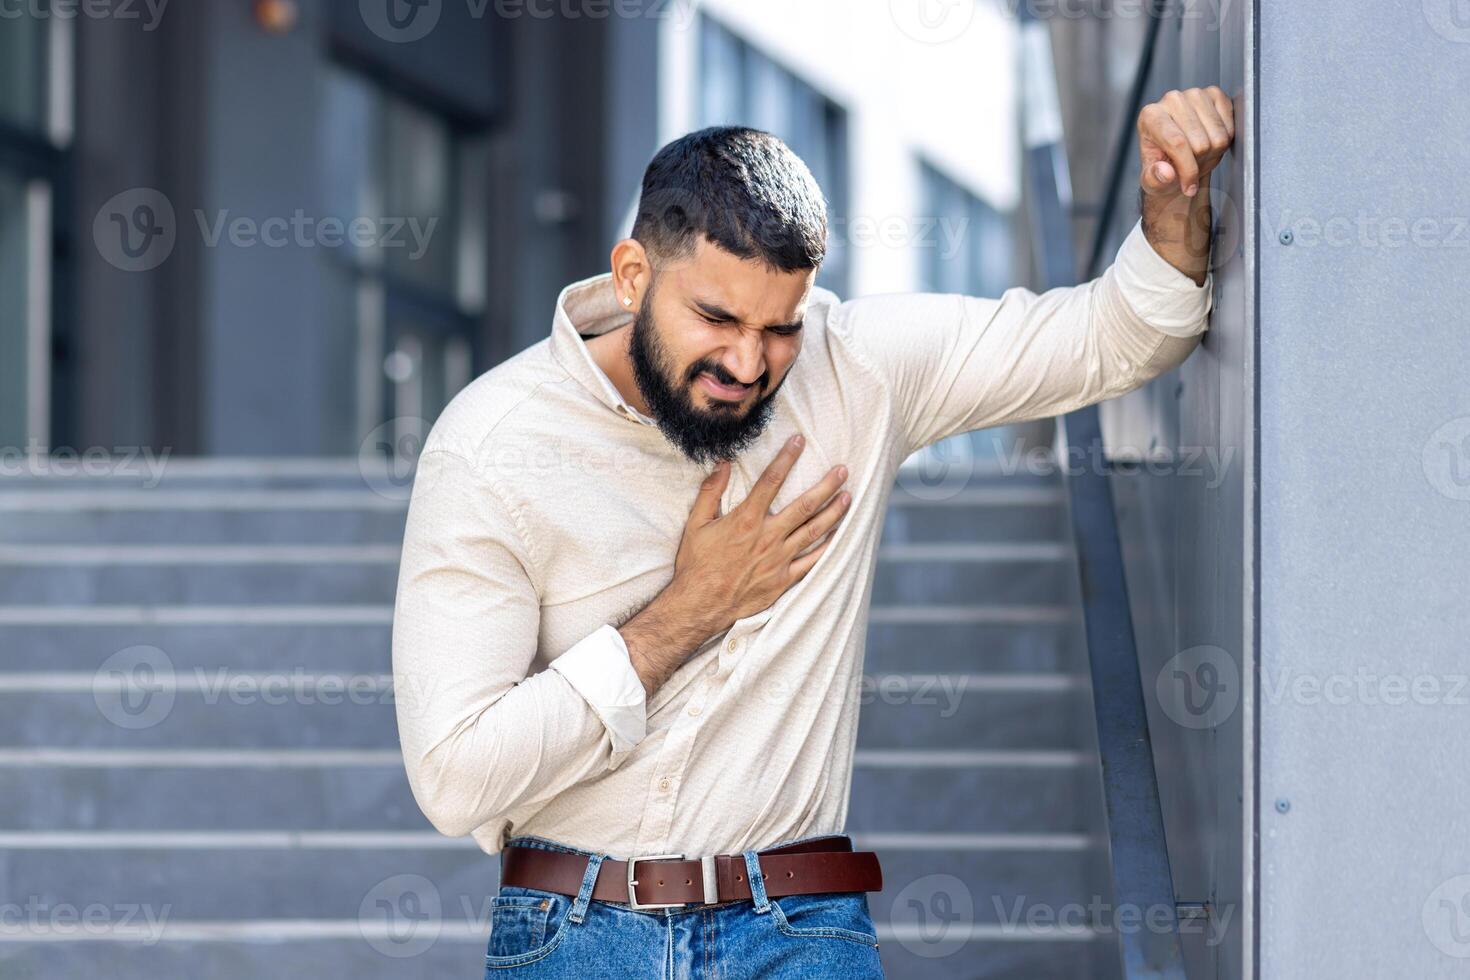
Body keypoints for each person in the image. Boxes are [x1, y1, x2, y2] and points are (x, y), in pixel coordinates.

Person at [391, 86, 1234, 978]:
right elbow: (455, 779)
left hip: (798, 932)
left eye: (778, 327)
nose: (748, 365)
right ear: (633, 275)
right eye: (715, 319)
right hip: (572, 937)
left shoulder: (857, 370)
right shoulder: (493, 444)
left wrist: (1174, 197)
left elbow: (1122, 333)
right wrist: (689, 610)